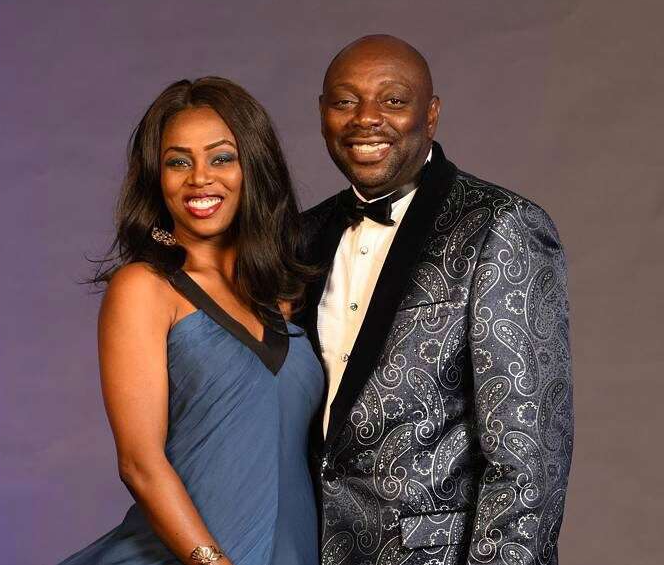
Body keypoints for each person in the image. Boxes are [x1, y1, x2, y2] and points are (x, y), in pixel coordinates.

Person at [294, 35, 574, 564]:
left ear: (431, 115)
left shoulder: (500, 226)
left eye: (393, 100)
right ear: (323, 114)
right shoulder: (301, 236)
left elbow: (529, 460)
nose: (366, 118)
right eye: (345, 101)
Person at [59, 77, 323, 565]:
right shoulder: (145, 288)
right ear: (156, 178)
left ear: (253, 167)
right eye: (178, 162)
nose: (200, 178)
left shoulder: (285, 294)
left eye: (221, 158)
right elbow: (139, 464)